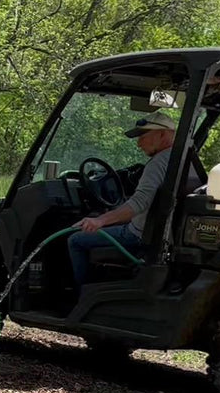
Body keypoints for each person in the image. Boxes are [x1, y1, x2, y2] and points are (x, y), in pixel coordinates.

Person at [67, 111, 180, 286]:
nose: (139, 144)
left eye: (143, 136)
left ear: (162, 134)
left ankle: (81, 297)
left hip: (138, 235)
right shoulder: (182, 159)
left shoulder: (158, 163)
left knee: (75, 240)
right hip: (162, 234)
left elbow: (140, 202)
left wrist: (100, 220)